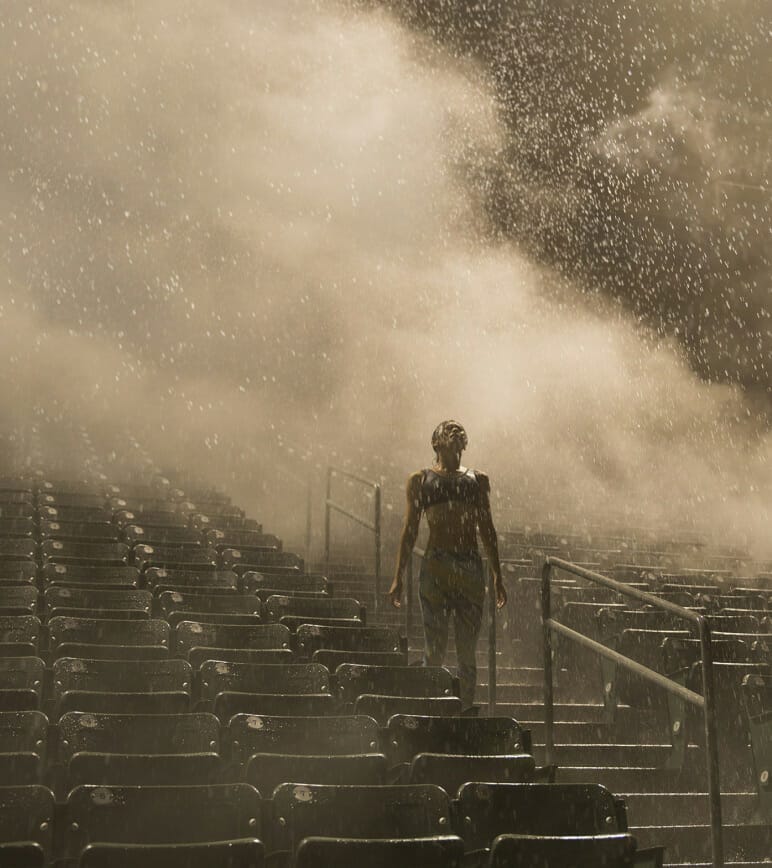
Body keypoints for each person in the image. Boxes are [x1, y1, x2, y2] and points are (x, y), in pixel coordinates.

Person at [388, 419, 506, 710]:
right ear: (436, 442)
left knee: (467, 652)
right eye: (448, 429)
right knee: (435, 649)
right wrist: (398, 576)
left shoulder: (477, 480)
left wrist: (497, 574)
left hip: (468, 568)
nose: (454, 430)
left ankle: (464, 710)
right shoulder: (421, 480)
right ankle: (434, 708)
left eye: (458, 429)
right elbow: (410, 530)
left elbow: (487, 529)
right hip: (437, 567)